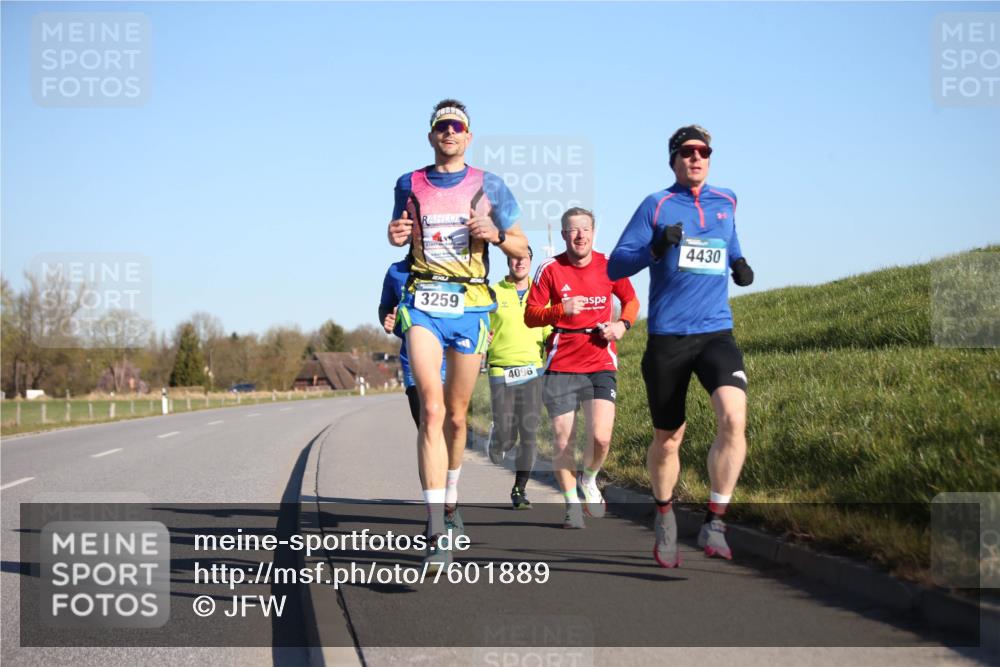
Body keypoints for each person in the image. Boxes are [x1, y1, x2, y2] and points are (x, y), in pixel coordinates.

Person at [387, 99, 528, 571]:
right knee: (431, 409)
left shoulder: (491, 185)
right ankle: (434, 526)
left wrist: (496, 234)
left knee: (457, 415)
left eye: (457, 126)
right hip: (423, 302)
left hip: (471, 307)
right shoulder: (409, 183)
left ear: (468, 136)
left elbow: (521, 244)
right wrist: (394, 232)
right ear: (431, 136)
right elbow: (399, 233)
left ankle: (450, 498)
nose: (449, 132)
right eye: (441, 126)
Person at [608, 124, 755, 568]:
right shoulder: (656, 205)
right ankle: (665, 514)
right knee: (668, 440)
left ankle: (716, 522)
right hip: (668, 337)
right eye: (687, 152)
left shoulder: (726, 200)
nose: (696, 158)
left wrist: (739, 262)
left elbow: (727, 240)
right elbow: (616, 265)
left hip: (715, 332)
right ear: (673, 159)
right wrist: (655, 246)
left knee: (734, 417)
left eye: (703, 152)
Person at [525, 207, 639, 529]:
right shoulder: (549, 269)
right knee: (564, 441)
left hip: (600, 359)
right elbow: (530, 315)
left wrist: (622, 325)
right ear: (564, 235)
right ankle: (572, 505)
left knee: (601, 437)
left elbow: (631, 301)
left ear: (593, 232)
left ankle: (588, 478)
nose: (580, 236)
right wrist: (560, 309)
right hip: (562, 361)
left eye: (585, 229)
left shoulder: (610, 265)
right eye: (574, 230)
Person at [486, 246, 550, 510]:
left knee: (529, 432)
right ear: (508, 260)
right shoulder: (493, 292)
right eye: (514, 257)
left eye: (524, 258)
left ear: (531, 261)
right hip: (500, 369)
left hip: (532, 370)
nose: (519, 262)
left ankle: (519, 489)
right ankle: (498, 438)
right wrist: (483, 336)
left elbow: (549, 329)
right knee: (507, 433)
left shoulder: (542, 292)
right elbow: (481, 325)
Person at [378, 256, 446, 426]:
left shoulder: (452, 265)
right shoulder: (396, 271)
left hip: (450, 359)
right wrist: (388, 320)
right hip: (414, 360)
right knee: (427, 423)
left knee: (452, 426)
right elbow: (385, 307)